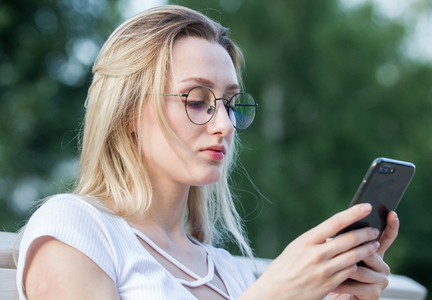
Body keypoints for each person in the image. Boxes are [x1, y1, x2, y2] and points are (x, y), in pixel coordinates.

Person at [16, 5, 397, 300]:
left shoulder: (225, 269)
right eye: (197, 100)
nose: (226, 125)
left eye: (231, 103)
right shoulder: (75, 229)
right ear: (128, 111)